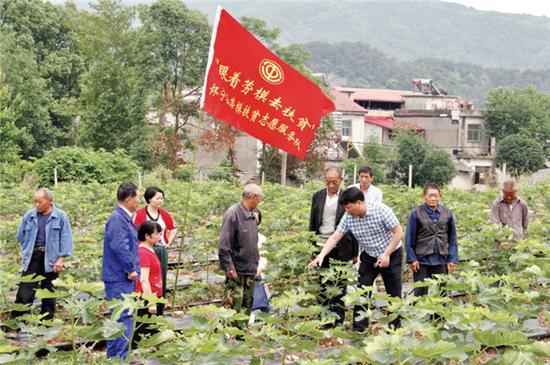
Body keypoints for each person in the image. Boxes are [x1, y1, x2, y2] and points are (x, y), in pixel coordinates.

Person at [307, 187, 403, 332]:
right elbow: (335, 237)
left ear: (359, 203)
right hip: (369, 256)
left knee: (393, 292)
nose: (346, 210)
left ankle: (394, 328)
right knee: (362, 291)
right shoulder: (348, 217)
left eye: (348, 206)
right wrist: (321, 255)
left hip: (391, 253)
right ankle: (360, 328)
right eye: (344, 207)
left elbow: (398, 232)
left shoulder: (381, 210)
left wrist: (387, 254)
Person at [12, 188, 73, 321]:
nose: (36, 205)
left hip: (52, 259)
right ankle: (15, 325)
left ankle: (46, 326)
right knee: (24, 292)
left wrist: (61, 258)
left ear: (50, 201)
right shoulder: (29, 215)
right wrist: (28, 249)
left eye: (39, 202)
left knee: (49, 293)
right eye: (35, 202)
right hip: (33, 257)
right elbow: (20, 235)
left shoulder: (61, 216)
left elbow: (66, 238)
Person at [309, 166, 358, 326]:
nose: (331, 185)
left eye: (334, 182)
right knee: (322, 283)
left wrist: (355, 252)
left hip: (342, 246)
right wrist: (311, 247)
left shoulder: (346, 197)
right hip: (321, 245)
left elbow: (355, 225)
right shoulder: (318, 196)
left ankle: (338, 319)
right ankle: (323, 318)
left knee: (339, 284)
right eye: (328, 182)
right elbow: (312, 222)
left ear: (341, 180)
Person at [102, 181, 140, 360]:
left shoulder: (123, 217)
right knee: (122, 316)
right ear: (130, 199)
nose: (139, 201)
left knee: (121, 316)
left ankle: (117, 357)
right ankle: (120, 358)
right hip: (119, 277)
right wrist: (130, 269)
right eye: (138, 197)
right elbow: (120, 247)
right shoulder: (117, 219)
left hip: (120, 276)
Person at [218, 184, 263, 321]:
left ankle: (241, 334)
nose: (260, 201)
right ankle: (228, 335)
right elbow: (224, 244)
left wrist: (256, 264)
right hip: (236, 269)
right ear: (254, 197)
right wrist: (229, 266)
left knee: (247, 304)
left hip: (250, 268)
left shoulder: (254, 214)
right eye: (260, 198)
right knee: (233, 304)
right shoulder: (233, 214)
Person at [405, 183, 458, 297]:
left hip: (441, 259)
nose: (433, 198)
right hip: (422, 260)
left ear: (440, 197)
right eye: (430, 195)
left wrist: (452, 259)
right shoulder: (416, 213)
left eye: (436, 195)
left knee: (442, 292)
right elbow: (409, 237)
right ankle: (420, 314)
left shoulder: (447, 213)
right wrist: (412, 259)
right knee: (420, 293)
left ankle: (440, 315)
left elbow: (452, 237)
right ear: (424, 196)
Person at [133, 186, 177, 313]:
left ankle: (159, 308)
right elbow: (134, 232)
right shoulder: (140, 214)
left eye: (162, 198)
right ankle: (146, 305)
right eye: (157, 198)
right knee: (145, 278)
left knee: (159, 278)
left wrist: (167, 242)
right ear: (149, 199)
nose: (160, 201)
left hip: (160, 250)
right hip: (145, 250)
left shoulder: (164, 214)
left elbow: (173, 228)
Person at [133, 221, 163, 347]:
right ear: (147, 236)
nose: (159, 237)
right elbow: (143, 279)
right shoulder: (143, 253)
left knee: (151, 329)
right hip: (146, 297)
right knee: (142, 330)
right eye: (157, 234)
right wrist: (151, 302)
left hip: (154, 294)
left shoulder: (150, 249)